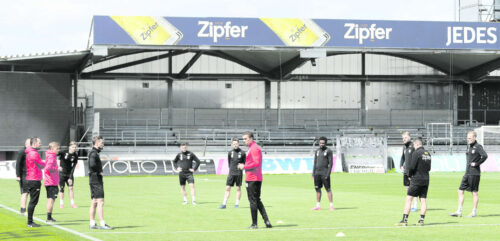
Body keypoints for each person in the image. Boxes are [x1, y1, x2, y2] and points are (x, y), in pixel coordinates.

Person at [449, 130, 488, 218]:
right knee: (460, 190)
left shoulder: (478, 146)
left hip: (474, 173)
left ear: (474, 137)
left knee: (474, 193)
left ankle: (474, 212)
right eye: (468, 138)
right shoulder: (469, 147)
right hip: (467, 172)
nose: (468, 139)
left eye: (470, 138)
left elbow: (485, 156)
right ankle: (459, 211)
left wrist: (477, 163)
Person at [239, 131, 272, 229]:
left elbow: (256, 163)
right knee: (257, 200)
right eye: (243, 139)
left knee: (253, 201)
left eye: (245, 139)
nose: (244, 141)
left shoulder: (254, 148)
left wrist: (244, 166)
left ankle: (254, 224)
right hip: (255, 177)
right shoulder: (252, 148)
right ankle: (267, 221)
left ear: (251, 138)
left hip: (253, 178)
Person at [396, 137, 431, 226]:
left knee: (408, 199)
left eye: (414, 145)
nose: (414, 147)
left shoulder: (416, 153)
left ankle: (404, 220)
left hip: (417, 179)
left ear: (416, 144)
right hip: (426, 179)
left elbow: (412, 167)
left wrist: (409, 175)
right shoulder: (428, 154)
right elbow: (429, 168)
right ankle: (421, 220)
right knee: (423, 200)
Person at [88, 136, 112, 230]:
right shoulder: (93, 153)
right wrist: (99, 171)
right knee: (100, 202)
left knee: (94, 202)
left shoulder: (94, 153)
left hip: (93, 180)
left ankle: (92, 223)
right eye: (102, 143)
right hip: (96, 180)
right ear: (97, 143)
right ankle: (102, 224)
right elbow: (92, 164)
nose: (103, 144)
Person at [219, 138, 246, 209]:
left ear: (238, 144)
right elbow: (229, 163)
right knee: (227, 188)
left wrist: (241, 167)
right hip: (231, 173)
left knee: (238, 188)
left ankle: (236, 204)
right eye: (234, 144)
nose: (235, 145)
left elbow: (244, 164)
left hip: (239, 174)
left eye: (236, 144)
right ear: (232, 144)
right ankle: (224, 204)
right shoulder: (230, 153)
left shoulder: (243, 153)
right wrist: (231, 169)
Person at [25, 137, 45, 228]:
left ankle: (30, 222)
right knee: (33, 201)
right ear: (34, 143)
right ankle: (30, 222)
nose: (41, 144)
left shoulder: (30, 152)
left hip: (31, 178)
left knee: (32, 201)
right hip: (34, 179)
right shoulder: (34, 153)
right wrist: (47, 163)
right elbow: (41, 165)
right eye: (39, 142)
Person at [311, 136, 334, 211]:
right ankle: (318, 206)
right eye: (320, 143)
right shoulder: (317, 151)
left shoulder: (329, 151)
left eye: (323, 143)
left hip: (324, 173)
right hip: (317, 173)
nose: (321, 144)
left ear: (326, 143)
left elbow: (331, 164)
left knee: (328, 189)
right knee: (317, 189)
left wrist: (328, 174)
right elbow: (315, 163)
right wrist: (313, 173)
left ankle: (331, 205)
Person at [400, 131, 418, 212]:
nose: (404, 139)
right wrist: (401, 165)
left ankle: (415, 205)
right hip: (405, 171)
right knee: (407, 188)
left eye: (405, 137)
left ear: (409, 137)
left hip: (412, 171)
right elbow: (403, 157)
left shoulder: (413, 146)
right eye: (403, 138)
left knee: (413, 188)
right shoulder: (404, 147)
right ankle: (409, 205)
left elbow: (417, 157)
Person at [58, 141, 79, 208]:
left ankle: (72, 203)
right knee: (62, 188)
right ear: (69, 147)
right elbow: (54, 155)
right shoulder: (63, 152)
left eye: (75, 147)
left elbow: (73, 166)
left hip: (69, 174)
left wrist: (70, 176)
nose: (74, 148)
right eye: (73, 147)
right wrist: (57, 166)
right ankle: (61, 203)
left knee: (71, 188)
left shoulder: (75, 155)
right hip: (61, 174)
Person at [44, 142, 60, 223]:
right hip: (51, 182)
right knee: (51, 200)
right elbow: (48, 168)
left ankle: (49, 217)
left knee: (52, 199)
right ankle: (48, 218)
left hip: (51, 181)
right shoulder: (51, 156)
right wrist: (57, 169)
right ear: (52, 149)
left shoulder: (51, 156)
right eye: (57, 148)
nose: (58, 150)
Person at [16, 138, 31, 215]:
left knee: (28, 192)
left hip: (30, 175)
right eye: (29, 143)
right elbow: (18, 164)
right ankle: (23, 209)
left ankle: (24, 208)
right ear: (26, 144)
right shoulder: (22, 151)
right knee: (25, 192)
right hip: (23, 174)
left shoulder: (32, 152)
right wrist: (18, 175)